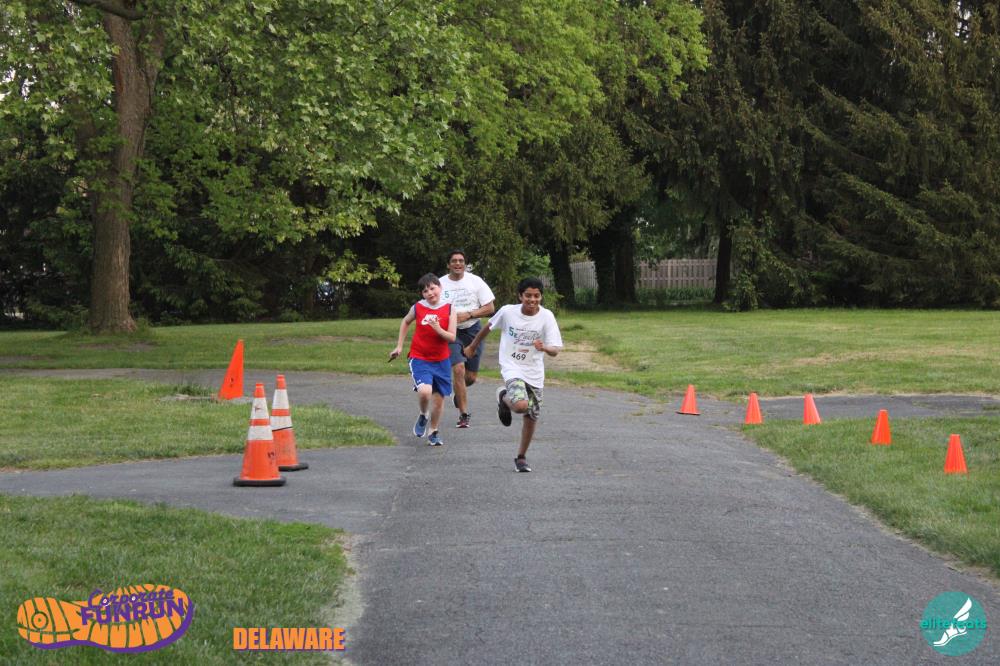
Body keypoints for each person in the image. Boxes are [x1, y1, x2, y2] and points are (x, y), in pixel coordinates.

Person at [463, 277, 562, 472]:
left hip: (534, 371)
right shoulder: (508, 312)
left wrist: (544, 347)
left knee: (531, 415)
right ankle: (505, 397)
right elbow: (488, 327)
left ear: (541, 297)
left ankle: (521, 457)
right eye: (528, 296)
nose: (532, 300)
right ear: (520, 296)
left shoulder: (547, 316)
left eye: (536, 296)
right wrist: (472, 347)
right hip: (512, 366)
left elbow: (555, 350)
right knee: (520, 406)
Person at [390, 274, 458, 446]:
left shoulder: (450, 308)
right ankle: (423, 414)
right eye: (425, 291)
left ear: (440, 288)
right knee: (425, 391)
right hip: (420, 357)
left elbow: (451, 337)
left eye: (432, 288)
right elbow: (405, 322)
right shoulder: (418, 307)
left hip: (441, 360)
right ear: (422, 294)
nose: (430, 293)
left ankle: (433, 432)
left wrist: (437, 329)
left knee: (439, 400)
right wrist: (399, 346)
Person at [439, 249, 495, 429]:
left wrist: (469, 314)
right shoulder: (440, 284)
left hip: (473, 331)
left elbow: (490, 308)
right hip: (451, 332)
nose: (457, 263)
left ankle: (459, 393)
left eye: (461, 261)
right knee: (458, 369)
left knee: (470, 378)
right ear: (448, 264)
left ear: (465, 264)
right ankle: (463, 415)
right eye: (454, 261)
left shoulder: (475, 281)